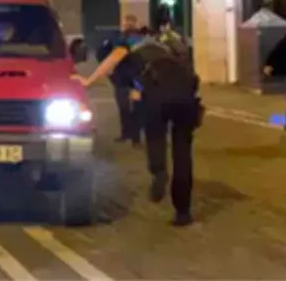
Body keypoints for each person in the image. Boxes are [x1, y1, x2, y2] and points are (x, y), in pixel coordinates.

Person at [74, 26, 202, 227]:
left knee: (155, 137)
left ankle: (159, 173)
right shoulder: (166, 46)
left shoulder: (129, 45)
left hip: (158, 90)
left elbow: (113, 59)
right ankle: (183, 212)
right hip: (185, 91)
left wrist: (89, 81)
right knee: (183, 153)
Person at [97, 14, 144, 147]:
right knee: (124, 108)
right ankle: (126, 134)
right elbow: (102, 53)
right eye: (126, 24)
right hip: (121, 78)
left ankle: (135, 138)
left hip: (136, 79)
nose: (128, 26)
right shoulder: (116, 39)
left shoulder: (139, 39)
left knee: (137, 109)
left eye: (131, 24)